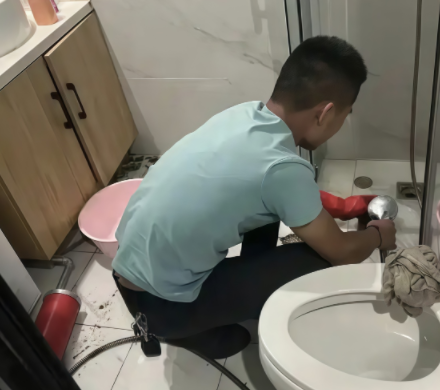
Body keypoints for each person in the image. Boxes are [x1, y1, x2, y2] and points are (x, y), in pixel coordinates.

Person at [112, 36, 397, 359]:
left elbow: (272, 189)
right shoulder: (281, 170)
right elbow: (343, 252)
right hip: (160, 306)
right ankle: (185, 330)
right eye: (345, 116)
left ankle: (243, 296)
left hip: (130, 270)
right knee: (316, 262)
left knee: (268, 213)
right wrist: (378, 235)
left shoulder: (244, 116)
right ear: (325, 113)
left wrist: (342, 207)